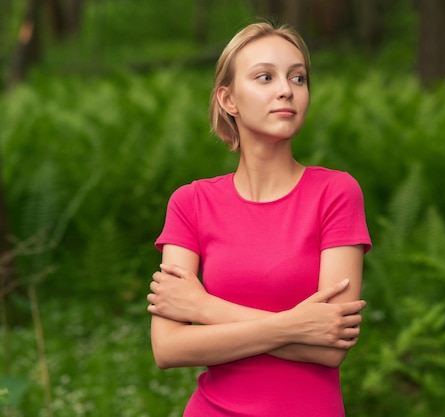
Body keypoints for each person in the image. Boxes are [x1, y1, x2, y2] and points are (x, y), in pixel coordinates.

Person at [146, 21, 372, 417]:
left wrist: (203, 309)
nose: (286, 89)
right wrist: (297, 326)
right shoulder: (191, 203)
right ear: (228, 99)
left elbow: (329, 346)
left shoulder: (335, 194)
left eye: (298, 77)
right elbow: (168, 349)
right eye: (265, 77)